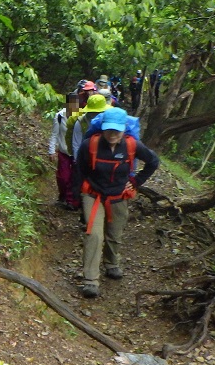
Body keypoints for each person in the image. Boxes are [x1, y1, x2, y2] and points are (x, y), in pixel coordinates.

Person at [73, 108, 159, 298]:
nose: (113, 134)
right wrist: (76, 197)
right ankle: (90, 280)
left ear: (123, 129)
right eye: (109, 129)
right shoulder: (90, 145)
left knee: (114, 234)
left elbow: (153, 161)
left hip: (119, 196)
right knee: (94, 235)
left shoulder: (132, 145)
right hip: (93, 195)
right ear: (103, 128)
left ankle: (111, 264)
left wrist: (137, 181)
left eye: (117, 130)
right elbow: (78, 171)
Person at [48, 93, 81, 209]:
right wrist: (51, 151)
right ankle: (62, 196)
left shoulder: (81, 116)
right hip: (64, 152)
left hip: (77, 153)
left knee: (74, 178)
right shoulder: (59, 116)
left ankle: (70, 200)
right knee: (63, 177)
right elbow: (54, 134)